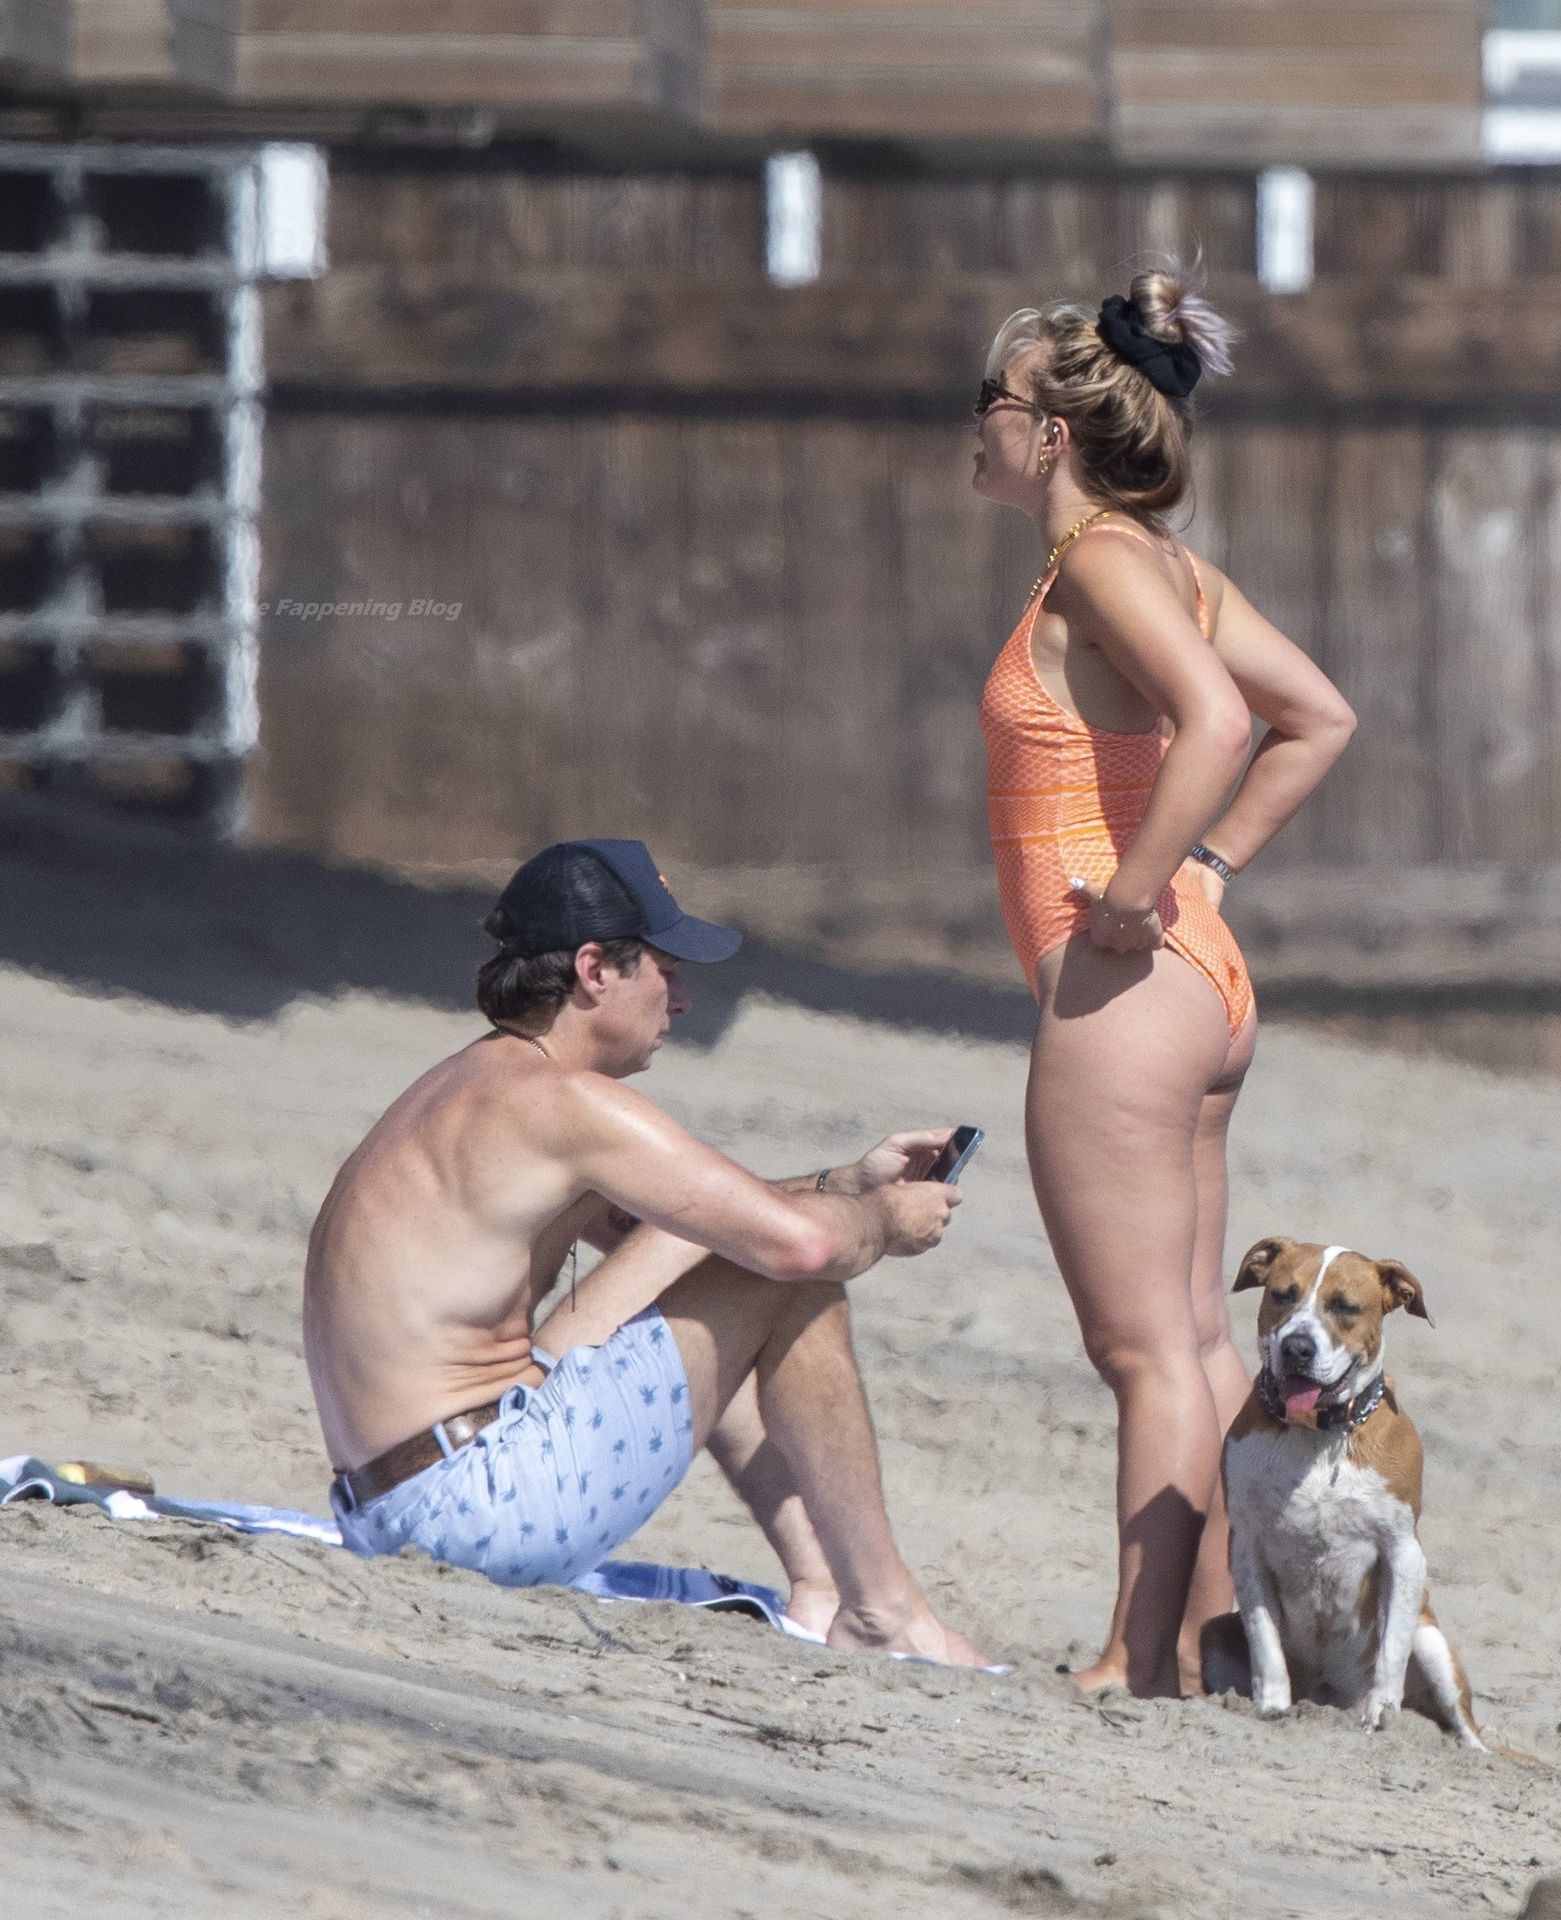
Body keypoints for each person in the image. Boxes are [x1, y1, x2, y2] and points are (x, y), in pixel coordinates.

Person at [303, 836, 984, 1666]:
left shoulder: (470, 1084)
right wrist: (884, 1220)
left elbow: (689, 1233)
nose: (684, 1001)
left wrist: (839, 1182)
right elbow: (801, 1249)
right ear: (595, 969)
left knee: (731, 1260)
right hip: (476, 1511)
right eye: (666, 971)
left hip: (388, 1506)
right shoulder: (568, 1104)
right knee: (788, 1281)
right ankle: (880, 1610)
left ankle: (823, 1592)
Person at [972, 262, 1357, 1696]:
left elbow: (1219, 722)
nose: (974, 422)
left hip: (1125, 987)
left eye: (991, 400)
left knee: (1143, 1351)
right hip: (1199, 985)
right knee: (1192, 1344)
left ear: (1050, 432)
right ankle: (1209, 1644)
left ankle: (1135, 1661)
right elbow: (1316, 717)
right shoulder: (1168, 568)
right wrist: (1211, 874)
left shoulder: (1099, 562)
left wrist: (1141, 887)